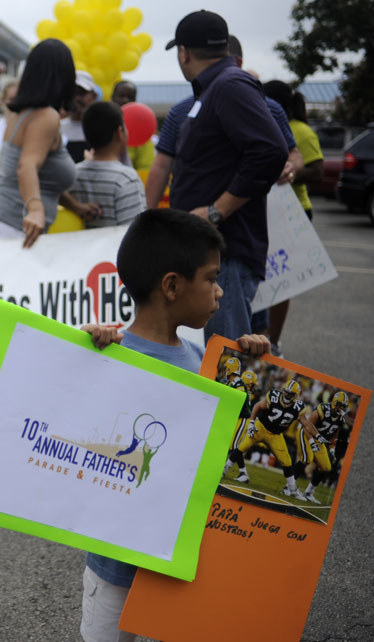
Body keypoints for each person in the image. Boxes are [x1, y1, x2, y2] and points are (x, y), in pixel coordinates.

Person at [78, 208, 270, 642]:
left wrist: (253, 369)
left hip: (174, 565)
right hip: (113, 568)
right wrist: (82, 350)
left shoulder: (208, 363)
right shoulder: (108, 355)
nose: (221, 292)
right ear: (171, 285)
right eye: (212, 279)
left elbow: (231, 441)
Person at [162, 11, 289, 343]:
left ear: (183, 52)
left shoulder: (229, 85)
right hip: (214, 254)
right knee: (218, 363)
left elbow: (271, 151)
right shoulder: (216, 88)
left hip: (225, 255)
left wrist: (217, 211)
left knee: (227, 367)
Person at [145, 33, 301, 211]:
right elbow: (161, 167)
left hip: (252, 222)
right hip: (192, 223)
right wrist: (145, 220)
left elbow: (289, 154)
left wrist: (290, 167)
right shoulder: (180, 111)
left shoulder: (270, 109)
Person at [0, 39, 83, 248]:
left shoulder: (18, 113)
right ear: (64, 75)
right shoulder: (46, 116)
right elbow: (26, 166)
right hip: (9, 229)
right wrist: (36, 211)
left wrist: (77, 208)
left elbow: (45, 179)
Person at [259, 80, 324, 354]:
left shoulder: (300, 132)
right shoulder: (264, 124)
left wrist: (291, 174)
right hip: (266, 211)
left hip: (294, 211)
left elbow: (317, 170)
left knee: (281, 280)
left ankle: (273, 341)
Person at [224, 380, 321, 501]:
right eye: (285, 392)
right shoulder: (274, 397)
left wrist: (317, 435)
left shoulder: (298, 407)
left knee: (287, 461)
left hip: (276, 435)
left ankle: (292, 489)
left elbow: (306, 424)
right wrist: (252, 423)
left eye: (290, 394)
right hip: (261, 427)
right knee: (243, 446)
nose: (286, 396)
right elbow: (258, 406)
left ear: (295, 396)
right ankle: (224, 469)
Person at [68, 101, 145, 228]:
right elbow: (133, 233)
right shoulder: (126, 179)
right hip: (113, 248)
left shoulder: (73, 174)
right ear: (120, 133)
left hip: (80, 247)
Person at [110, 80, 155, 172]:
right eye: (121, 96)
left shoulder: (142, 132)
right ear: (112, 98)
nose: (125, 100)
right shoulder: (101, 124)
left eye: (130, 97)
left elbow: (146, 167)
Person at [62, 70, 100, 163]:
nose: (76, 98)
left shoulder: (101, 129)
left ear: (94, 96)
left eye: (81, 93)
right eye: (72, 93)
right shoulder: (55, 128)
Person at [0, 79, 19, 163]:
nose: (16, 103)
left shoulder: (31, 128)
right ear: (3, 101)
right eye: (12, 99)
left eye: (19, 98)